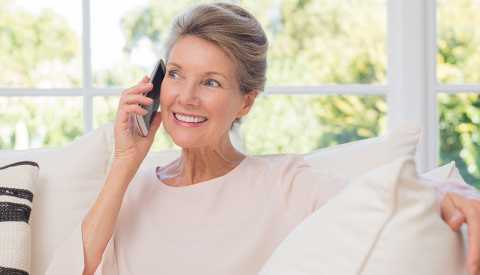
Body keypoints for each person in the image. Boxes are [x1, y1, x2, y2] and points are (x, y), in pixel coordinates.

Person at [46, 3, 480, 275]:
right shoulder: (132, 188)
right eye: (176, 74)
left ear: (246, 102)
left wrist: (445, 186)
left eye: (211, 82)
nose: (186, 97)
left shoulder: (286, 182)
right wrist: (125, 162)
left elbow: (385, 205)